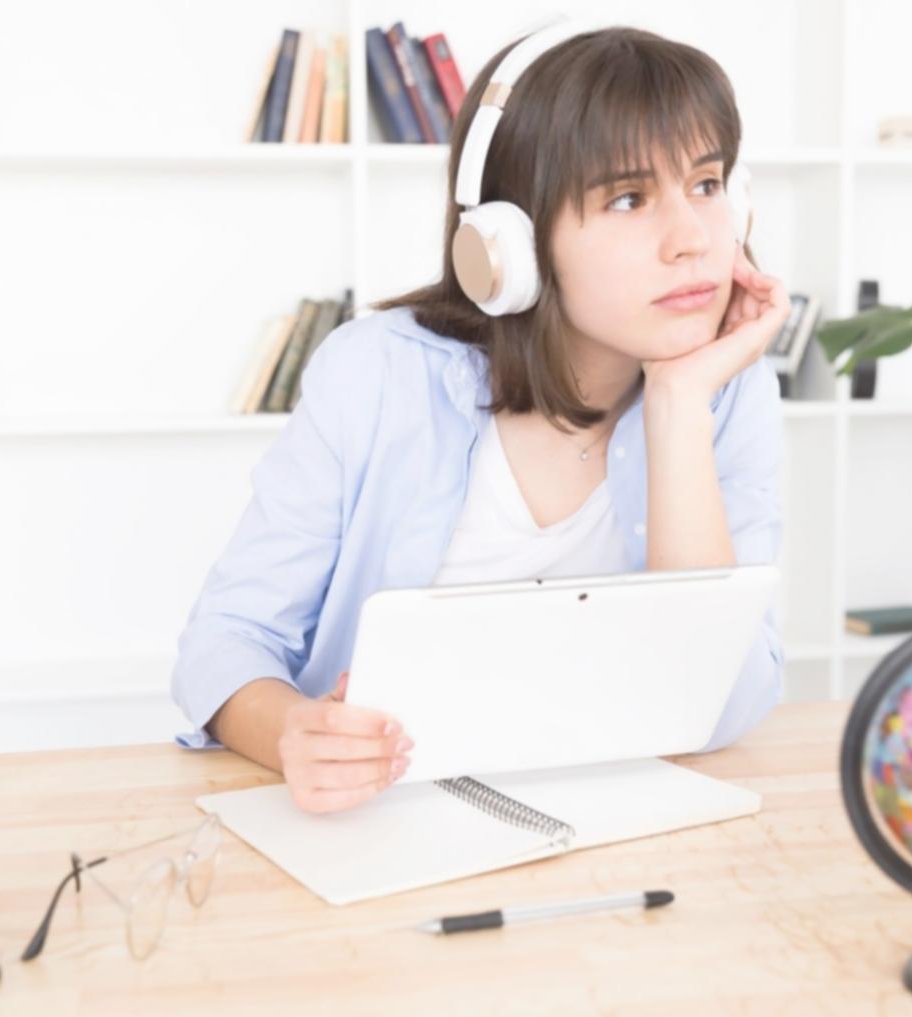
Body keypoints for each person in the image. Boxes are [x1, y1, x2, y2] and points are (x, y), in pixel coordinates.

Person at [172, 23, 791, 814]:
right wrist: (294, 730)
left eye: (706, 185)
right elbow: (224, 641)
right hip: (382, 816)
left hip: (607, 818)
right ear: (509, 243)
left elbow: (719, 703)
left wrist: (676, 404)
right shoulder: (378, 373)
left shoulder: (723, 386)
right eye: (629, 198)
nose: (692, 240)